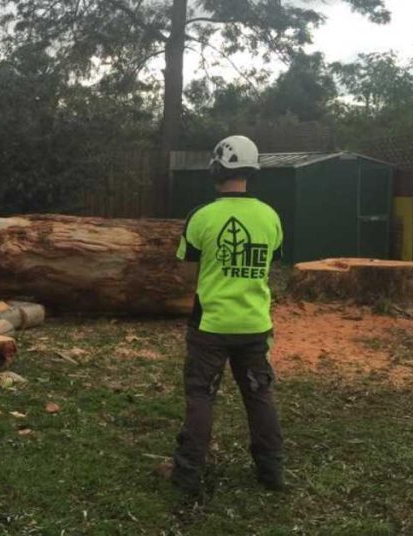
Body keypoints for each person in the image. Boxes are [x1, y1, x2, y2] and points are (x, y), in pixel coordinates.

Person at [171, 135, 285, 495]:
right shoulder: (270, 216)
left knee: (201, 394)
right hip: (254, 325)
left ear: (216, 169)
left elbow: (188, 274)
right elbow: (271, 266)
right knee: (259, 395)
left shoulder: (201, 217)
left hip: (210, 327)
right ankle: (271, 471)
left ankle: (188, 473)